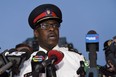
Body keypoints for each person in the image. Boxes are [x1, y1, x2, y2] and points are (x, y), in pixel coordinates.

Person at [15, 3, 86, 77]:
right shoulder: (25, 65)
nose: (52, 29)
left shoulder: (76, 60)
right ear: (36, 32)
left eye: (55, 25)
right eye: (45, 25)